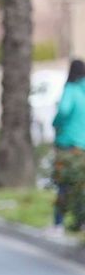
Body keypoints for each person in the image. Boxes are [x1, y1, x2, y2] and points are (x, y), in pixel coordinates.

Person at [50, 59, 85, 233]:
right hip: (83, 146)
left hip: (67, 144)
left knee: (63, 184)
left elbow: (63, 110)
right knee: (81, 185)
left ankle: (58, 224)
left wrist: (55, 123)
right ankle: (81, 222)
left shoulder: (70, 89)